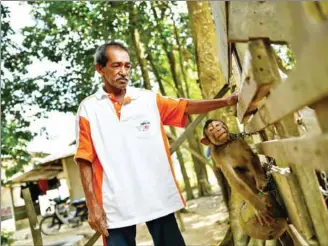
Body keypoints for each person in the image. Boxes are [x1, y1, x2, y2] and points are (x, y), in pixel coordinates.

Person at [74, 40, 238, 246]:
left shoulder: (147, 99)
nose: (123, 71)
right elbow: (84, 159)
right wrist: (92, 205)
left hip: (156, 194)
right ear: (100, 69)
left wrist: (225, 102)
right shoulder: (89, 109)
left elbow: (185, 106)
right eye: (116, 65)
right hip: (114, 202)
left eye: (127, 65)